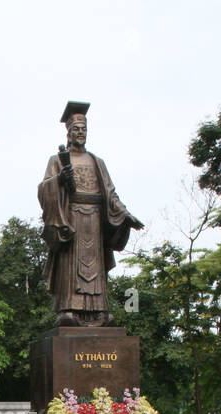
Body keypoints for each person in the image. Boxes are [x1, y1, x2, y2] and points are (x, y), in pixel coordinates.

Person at [37, 101, 144, 327]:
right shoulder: (57, 161)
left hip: (95, 221)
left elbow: (111, 194)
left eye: (84, 129)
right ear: (68, 132)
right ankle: (69, 310)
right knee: (71, 266)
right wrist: (60, 180)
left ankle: (99, 313)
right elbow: (44, 189)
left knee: (95, 268)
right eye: (76, 129)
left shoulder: (97, 162)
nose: (80, 133)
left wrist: (125, 214)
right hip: (72, 218)